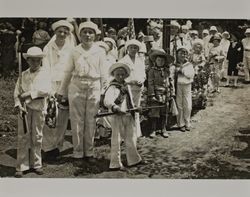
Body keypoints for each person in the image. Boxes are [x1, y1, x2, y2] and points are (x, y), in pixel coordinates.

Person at [57, 21, 107, 160]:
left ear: (95, 35)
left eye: (90, 32)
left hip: (94, 86)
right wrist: (62, 92)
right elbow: (67, 72)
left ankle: (89, 152)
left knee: (91, 120)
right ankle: (78, 152)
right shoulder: (74, 51)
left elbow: (104, 74)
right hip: (77, 86)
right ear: (80, 34)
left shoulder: (100, 51)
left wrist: (104, 92)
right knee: (76, 121)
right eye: (84, 32)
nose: (87, 35)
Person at [13, 46, 51, 177]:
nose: (35, 63)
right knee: (23, 136)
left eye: (37, 60)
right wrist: (19, 104)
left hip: (39, 108)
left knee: (37, 136)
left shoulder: (45, 74)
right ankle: (22, 165)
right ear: (27, 61)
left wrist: (29, 94)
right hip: (25, 109)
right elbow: (17, 93)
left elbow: (46, 91)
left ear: (41, 60)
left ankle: (37, 163)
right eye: (32, 60)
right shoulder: (23, 75)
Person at [42, 20, 74, 159]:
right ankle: (48, 147)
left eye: (65, 32)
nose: (62, 34)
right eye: (59, 31)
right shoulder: (48, 48)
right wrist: (50, 89)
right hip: (52, 84)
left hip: (66, 84)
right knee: (50, 115)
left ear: (68, 33)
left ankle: (57, 147)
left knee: (62, 117)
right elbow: (45, 68)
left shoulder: (71, 48)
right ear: (55, 32)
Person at [103, 62, 143, 171]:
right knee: (116, 139)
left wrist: (136, 107)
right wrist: (115, 107)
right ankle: (115, 163)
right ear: (114, 75)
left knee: (131, 137)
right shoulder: (112, 87)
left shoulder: (127, 86)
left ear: (125, 75)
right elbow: (107, 101)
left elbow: (130, 99)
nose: (120, 77)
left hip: (128, 115)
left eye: (122, 74)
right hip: (117, 116)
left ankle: (133, 159)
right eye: (117, 75)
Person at [120, 39, 146, 137]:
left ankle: (136, 132)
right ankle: (125, 133)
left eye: (135, 48)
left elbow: (143, 74)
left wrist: (141, 80)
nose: (133, 49)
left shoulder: (140, 60)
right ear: (127, 49)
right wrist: (130, 82)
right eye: (131, 47)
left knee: (136, 109)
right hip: (128, 88)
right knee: (127, 109)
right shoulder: (123, 61)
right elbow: (120, 76)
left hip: (138, 88)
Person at [147, 49, 175, 138]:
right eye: (158, 60)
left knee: (164, 112)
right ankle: (153, 129)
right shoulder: (152, 71)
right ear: (155, 61)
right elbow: (150, 83)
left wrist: (172, 93)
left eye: (162, 60)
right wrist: (152, 95)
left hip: (165, 94)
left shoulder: (167, 71)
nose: (160, 62)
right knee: (154, 112)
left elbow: (171, 82)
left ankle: (163, 129)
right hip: (156, 93)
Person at [175, 47, 195, 132]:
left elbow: (191, 75)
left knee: (187, 104)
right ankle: (181, 123)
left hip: (187, 85)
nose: (183, 55)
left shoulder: (189, 65)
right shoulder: (174, 64)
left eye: (185, 54)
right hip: (178, 85)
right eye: (181, 53)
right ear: (177, 55)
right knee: (179, 104)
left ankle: (187, 122)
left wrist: (182, 71)